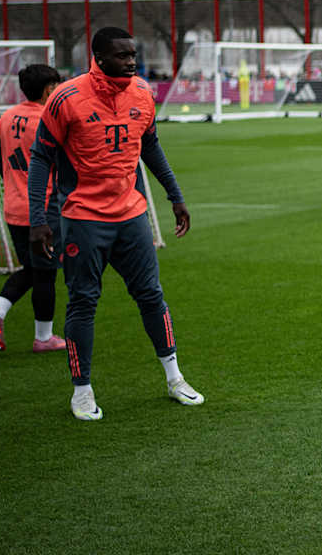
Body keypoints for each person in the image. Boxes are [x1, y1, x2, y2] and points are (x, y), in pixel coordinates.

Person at [28, 26, 201, 421]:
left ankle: (175, 378)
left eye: (133, 54)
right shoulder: (66, 98)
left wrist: (175, 196)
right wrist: (39, 219)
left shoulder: (142, 92)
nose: (131, 61)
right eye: (122, 55)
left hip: (132, 216)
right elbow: (40, 158)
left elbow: (151, 146)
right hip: (83, 219)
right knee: (84, 302)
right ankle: (82, 391)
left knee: (151, 296)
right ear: (100, 58)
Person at [0, 64, 66, 353]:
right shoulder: (49, 118)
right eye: (56, 86)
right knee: (45, 272)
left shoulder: (6, 117)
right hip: (43, 209)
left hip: (13, 206)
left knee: (32, 269)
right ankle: (43, 338)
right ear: (48, 89)